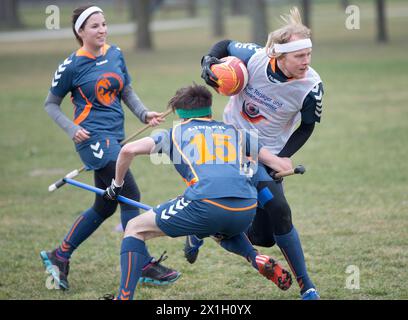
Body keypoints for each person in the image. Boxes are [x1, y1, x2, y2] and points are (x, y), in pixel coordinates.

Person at [102, 84, 294, 300]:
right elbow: (283, 168)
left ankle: (123, 297)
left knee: (135, 228)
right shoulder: (236, 132)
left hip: (206, 203)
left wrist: (116, 185)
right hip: (246, 207)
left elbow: (127, 150)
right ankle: (254, 257)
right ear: (209, 110)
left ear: (181, 115)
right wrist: (285, 163)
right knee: (218, 227)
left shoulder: (174, 133)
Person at [185, 7, 323, 300]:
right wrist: (209, 62)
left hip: (267, 153)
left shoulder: (311, 86)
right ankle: (307, 286)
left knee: (264, 237)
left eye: (309, 55)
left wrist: (282, 157)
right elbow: (223, 45)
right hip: (230, 143)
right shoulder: (256, 58)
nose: (306, 62)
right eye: (300, 56)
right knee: (280, 210)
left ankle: (206, 228)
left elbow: (306, 128)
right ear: (279, 56)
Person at [40, 5, 180, 291]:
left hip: (115, 139)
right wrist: (71, 128)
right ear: (80, 32)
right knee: (129, 193)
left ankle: (60, 254)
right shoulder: (71, 65)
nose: (102, 30)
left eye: (104, 24)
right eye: (94, 26)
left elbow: (126, 89)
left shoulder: (115, 54)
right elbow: (50, 104)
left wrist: (144, 114)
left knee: (104, 205)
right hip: (92, 141)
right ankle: (140, 263)